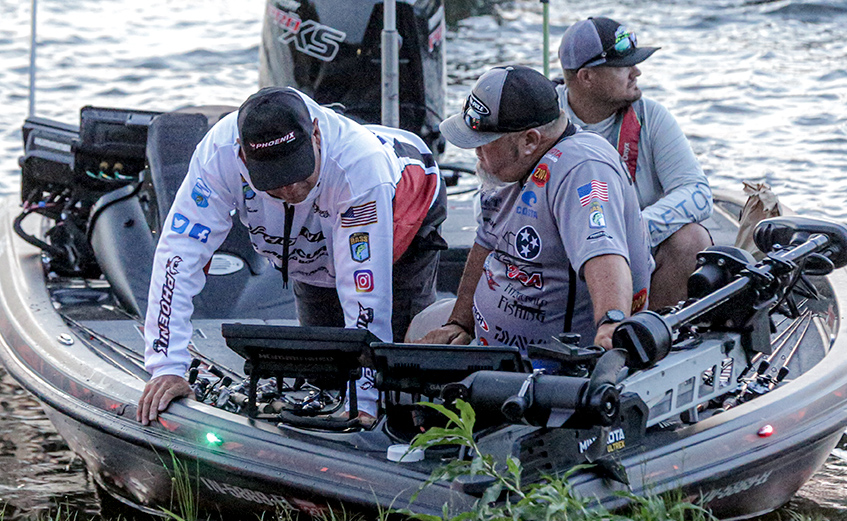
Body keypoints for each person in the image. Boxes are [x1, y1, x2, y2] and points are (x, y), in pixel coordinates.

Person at [137, 87, 446, 425]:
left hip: (402, 199)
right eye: (274, 180)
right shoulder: (218, 155)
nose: (289, 189)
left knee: (397, 375)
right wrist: (167, 366)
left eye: (296, 172)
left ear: (315, 134)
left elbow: (367, 292)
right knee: (324, 371)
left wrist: (365, 401)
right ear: (241, 155)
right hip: (310, 238)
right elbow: (179, 255)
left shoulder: (360, 167)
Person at [419, 66, 653, 355]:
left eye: (484, 142)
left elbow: (604, 255)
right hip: (491, 340)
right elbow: (485, 242)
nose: (475, 152)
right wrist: (459, 323)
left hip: (556, 360)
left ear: (529, 141)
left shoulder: (582, 169)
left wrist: (610, 324)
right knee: (416, 331)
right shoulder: (506, 167)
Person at [557, 16, 714, 309]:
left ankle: (649, 332)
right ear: (586, 77)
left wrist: (633, 228)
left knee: (692, 240)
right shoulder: (543, 120)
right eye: (623, 66)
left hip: (636, 251)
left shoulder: (651, 116)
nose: (637, 71)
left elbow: (698, 193)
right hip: (563, 256)